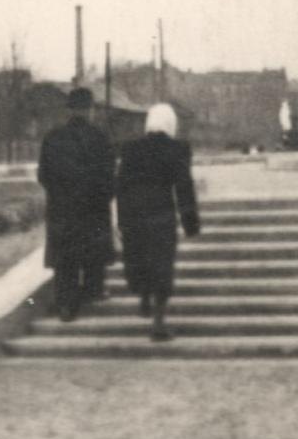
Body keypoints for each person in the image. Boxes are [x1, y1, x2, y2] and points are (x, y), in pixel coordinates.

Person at [116, 103, 201, 342]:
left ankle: (144, 297)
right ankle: (158, 323)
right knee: (162, 265)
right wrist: (190, 222)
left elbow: (121, 186)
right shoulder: (177, 149)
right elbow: (184, 187)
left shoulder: (130, 149)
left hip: (134, 216)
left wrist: (121, 220)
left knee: (139, 260)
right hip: (161, 215)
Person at [37, 86, 116, 321]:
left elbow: (43, 175)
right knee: (93, 255)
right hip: (93, 210)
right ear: (90, 110)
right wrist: (102, 198)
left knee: (65, 259)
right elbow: (109, 176)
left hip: (62, 211)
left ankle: (65, 305)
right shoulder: (101, 138)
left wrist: (59, 195)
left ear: (69, 110)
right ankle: (94, 292)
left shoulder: (52, 138)